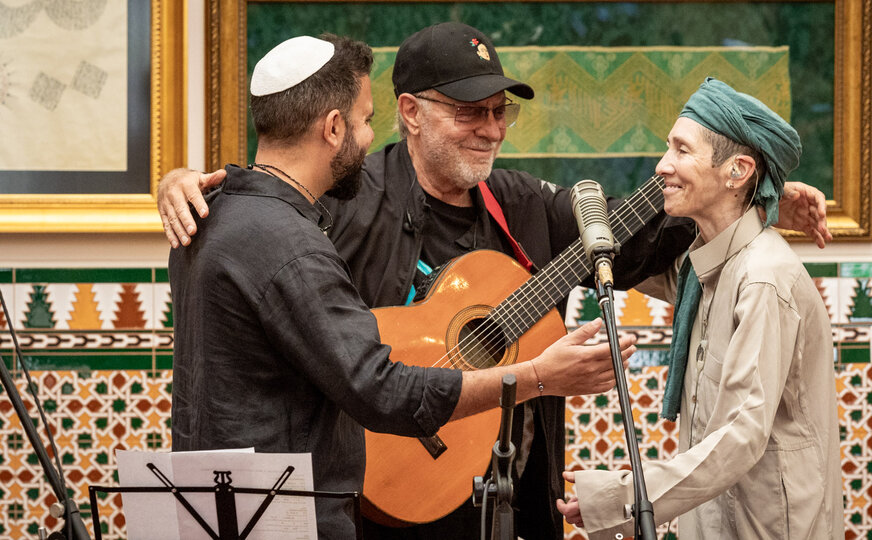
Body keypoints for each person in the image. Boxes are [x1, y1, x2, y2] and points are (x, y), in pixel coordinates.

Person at [158, 23, 832, 539]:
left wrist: (751, 195)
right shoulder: (347, 198)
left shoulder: (524, 203)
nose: (490, 129)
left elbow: (636, 244)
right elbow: (277, 187)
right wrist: (188, 184)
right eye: (468, 111)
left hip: (501, 504)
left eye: (499, 112)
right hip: (378, 501)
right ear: (411, 114)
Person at [169, 33, 637, 539]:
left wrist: (178, 180)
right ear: (332, 128)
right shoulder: (296, 245)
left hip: (216, 511)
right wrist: (539, 376)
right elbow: (382, 390)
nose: (371, 138)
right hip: (288, 518)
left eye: (499, 112)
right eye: (365, 121)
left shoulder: (205, 217)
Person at [556, 78, 842, 539]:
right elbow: (618, 262)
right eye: (667, 147)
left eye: (681, 150)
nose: (662, 165)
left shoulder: (763, 277)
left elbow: (741, 434)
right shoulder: (705, 267)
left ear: (737, 171)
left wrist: (624, 497)